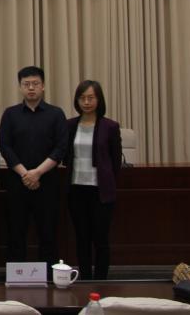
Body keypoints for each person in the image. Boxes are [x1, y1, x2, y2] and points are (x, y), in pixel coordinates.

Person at [0, 65, 68, 272]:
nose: (31, 88)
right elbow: (5, 147)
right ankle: (16, 277)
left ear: (43, 86)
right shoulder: (10, 114)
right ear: (20, 87)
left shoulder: (56, 114)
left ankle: (48, 277)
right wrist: (25, 173)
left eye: (35, 84)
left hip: (47, 183)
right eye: (26, 84)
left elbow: (61, 148)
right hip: (17, 183)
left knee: (48, 233)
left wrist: (37, 173)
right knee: (16, 232)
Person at [65, 80, 122, 280]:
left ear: (99, 100)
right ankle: (85, 278)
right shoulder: (70, 125)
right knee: (81, 237)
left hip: (100, 191)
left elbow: (116, 162)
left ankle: (100, 280)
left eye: (91, 98)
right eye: (82, 98)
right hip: (76, 189)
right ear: (77, 100)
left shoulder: (110, 126)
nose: (87, 102)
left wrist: (108, 181)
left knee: (100, 238)